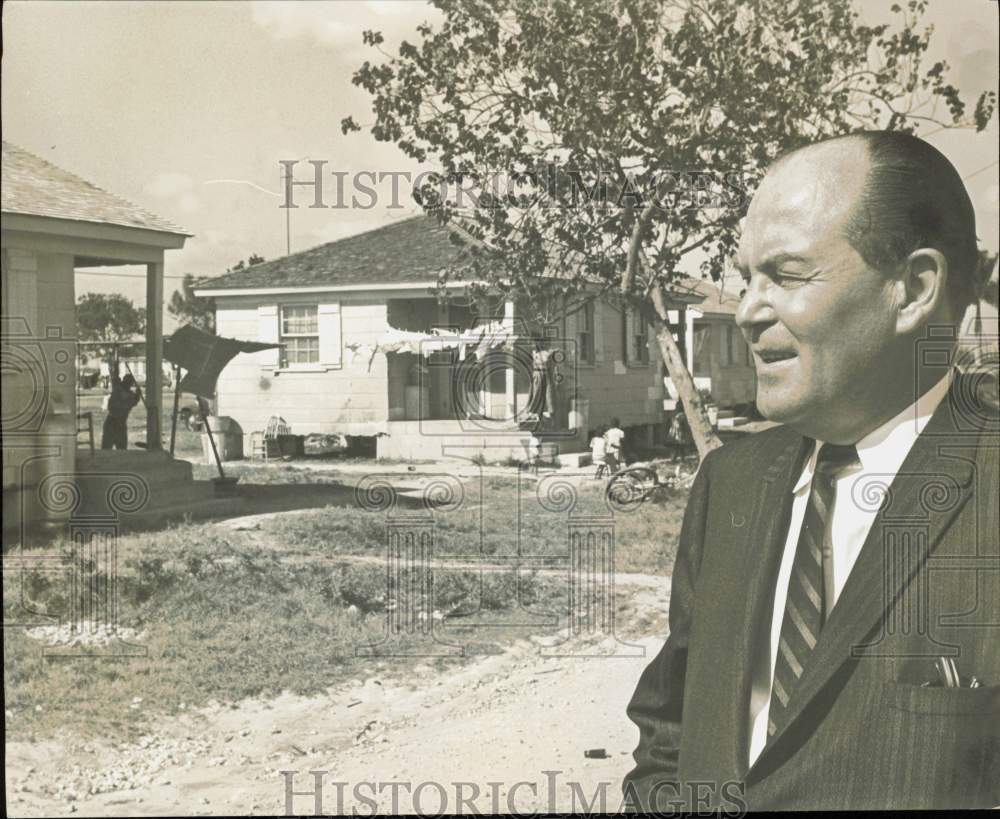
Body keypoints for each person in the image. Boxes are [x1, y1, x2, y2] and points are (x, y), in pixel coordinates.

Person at [623, 132, 998, 811]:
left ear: (913, 290)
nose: (746, 310)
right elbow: (669, 730)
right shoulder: (729, 483)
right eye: (747, 277)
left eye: (788, 276)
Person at [101, 360, 141, 450]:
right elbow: (133, 401)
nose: (128, 384)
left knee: (120, 449)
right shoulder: (121, 391)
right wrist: (138, 394)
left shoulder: (125, 393)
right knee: (109, 450)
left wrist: (138, 394)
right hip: (114, 422)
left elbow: (134, 401)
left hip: (119, 423)